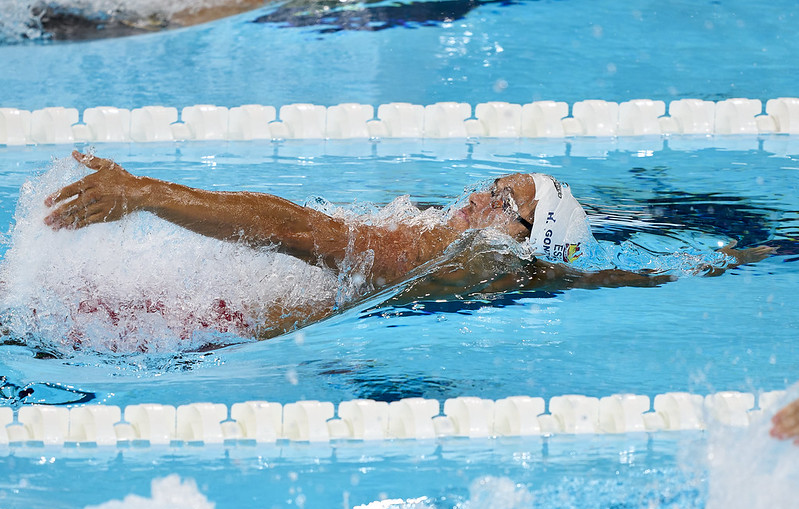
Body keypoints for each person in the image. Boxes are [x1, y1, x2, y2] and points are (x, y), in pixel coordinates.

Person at [42, 151, 774, 339]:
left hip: (185, 322)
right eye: (493, 182)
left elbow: (288, 226)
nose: (478, 196)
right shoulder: (510, 272)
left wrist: (147, 194)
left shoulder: (425, 258)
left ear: (522, 240)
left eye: (501, 201)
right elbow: (606, 279)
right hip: (207, 317)